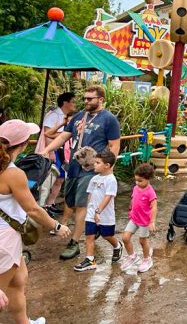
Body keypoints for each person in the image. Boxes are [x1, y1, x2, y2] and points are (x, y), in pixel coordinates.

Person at [0, 120, 71, 324]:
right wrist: (56, 226)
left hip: (8, 236)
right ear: (24, 144)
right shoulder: (13, 174)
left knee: (18, 281)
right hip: (5, 239)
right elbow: (32, 209)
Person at [43, 85, 120, 260]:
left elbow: (114, 145)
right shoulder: (79, 116)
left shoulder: (109, 119)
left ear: (100, 99)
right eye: (85, 98)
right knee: (70, 202)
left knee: (82, 205)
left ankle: (75, 242)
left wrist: (107, 169)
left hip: (92, 170)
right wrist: (45, 150)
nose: (86, 101)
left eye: (90, 98)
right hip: (74, 167)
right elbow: (64, 136)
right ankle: (92, 228)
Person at [73, 151, 122, 272]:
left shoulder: (111, 180)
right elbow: (90, 194)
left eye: (97, 162)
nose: (94, 164)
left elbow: (108, 197)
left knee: (107, 235)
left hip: (105, 215)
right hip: (91, 214)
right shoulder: (94, 179)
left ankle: (117, 245)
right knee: (89, 236)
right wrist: (89, 209)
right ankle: (90, 260)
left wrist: (98, 211)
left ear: (107, 165)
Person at [36, 91, 77, 212]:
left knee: (60, 178)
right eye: (72, 102)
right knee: (50, 178)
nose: (74, 104)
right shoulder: (53, 115)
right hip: (53, 151)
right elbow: (47, 134)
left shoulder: (66, 116)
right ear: (65, 103)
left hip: (63, 151)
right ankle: (42, 206)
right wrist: (51, 152)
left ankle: (50, 203)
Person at [120, 163, 158, 274]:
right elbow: (133, 199)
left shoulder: (150, 192)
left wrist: (152, 221)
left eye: (140, 181)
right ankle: (132, 256)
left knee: (142, 241)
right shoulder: (136, 188)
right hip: (134, 218)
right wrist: (130, 209)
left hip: (144, 221)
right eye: (136, 180)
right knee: (125, 238)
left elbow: (154, 207)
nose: (137, 183)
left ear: (148, 179)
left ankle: (147, 259)